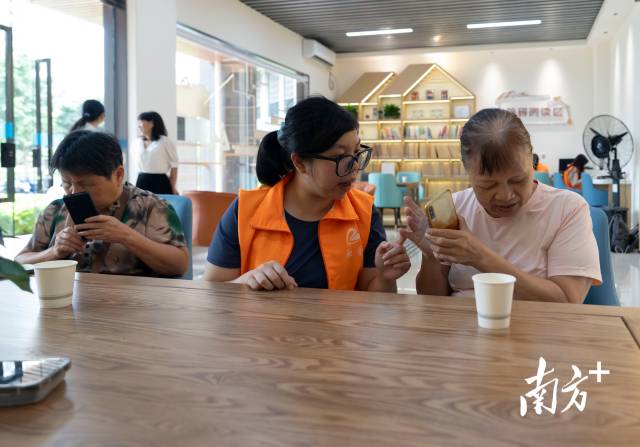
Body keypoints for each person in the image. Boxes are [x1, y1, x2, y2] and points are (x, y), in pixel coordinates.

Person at [204, 96, 410, 292]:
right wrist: (247, 280)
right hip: (260, 319)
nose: (355, 167)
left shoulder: (363, 212)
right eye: (340, 157)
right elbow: (212, 292)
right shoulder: (246, 210)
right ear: (300, 162)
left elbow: (373, 299)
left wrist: (385, 278)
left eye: (356, 153)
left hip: (338, 319)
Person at [400, 108, 601, 304]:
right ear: (467, 170)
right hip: (460, 324)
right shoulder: (455, 208)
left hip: (537, 324)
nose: (506, 196)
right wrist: (431, 257)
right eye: (488, 185)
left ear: (531, 159)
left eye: (518, 180)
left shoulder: (567, 209)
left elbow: (567, 301)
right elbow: (432, 301)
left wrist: (479, 256)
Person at [15, 131, 189, 277]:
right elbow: (19, 262)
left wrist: (127, 236)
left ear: (118, 175)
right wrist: (54, 252)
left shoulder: (151, 207)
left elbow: (179, 265)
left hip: (130, 303)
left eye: (85, 184)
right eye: (66, 183)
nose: (73, 192)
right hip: (68, 300)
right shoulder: (55, 210)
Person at [135, 111, 179, 195]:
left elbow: (174, 166)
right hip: (141, 181)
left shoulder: (165, 142)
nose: (139, 126)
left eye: (141, 122)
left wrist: (173, 186)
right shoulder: (137, 142)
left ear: (151, 123)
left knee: (160, 203)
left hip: (160, 182)